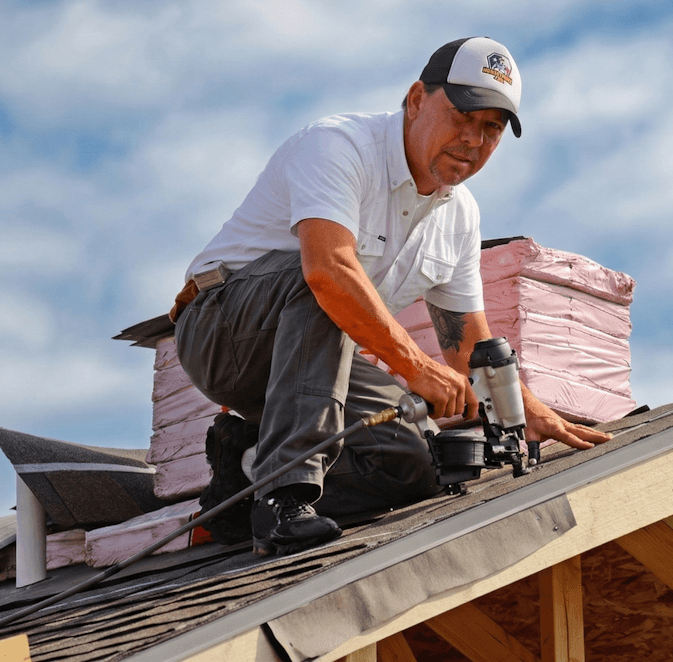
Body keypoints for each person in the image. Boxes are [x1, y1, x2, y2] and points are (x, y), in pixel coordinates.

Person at [170, 37, 611, 557]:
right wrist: (415, 368)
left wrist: (528, 412)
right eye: (462, 115)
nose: (473, 139)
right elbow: (327, 274)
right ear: (417, 99)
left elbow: (466, 345)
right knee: (328, 278)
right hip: (221, 331)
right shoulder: (338, 146)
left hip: (309, 364)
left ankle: (243, 481)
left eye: (491, 128)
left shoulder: (459, 215)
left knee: (417, 461)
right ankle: (285, 500)